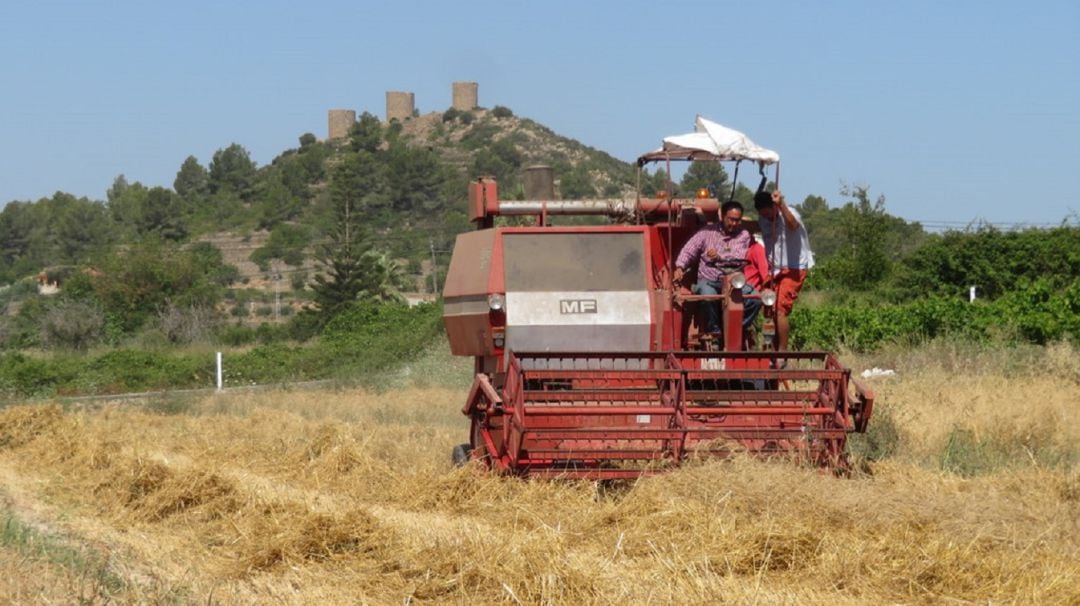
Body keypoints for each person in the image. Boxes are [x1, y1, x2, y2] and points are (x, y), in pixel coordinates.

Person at [673, 200, 752, 335]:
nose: (734, 224)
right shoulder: (705, 233)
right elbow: (688, 250)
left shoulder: (743, 235)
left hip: (733, 283)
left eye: (737, 220)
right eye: (731, 219)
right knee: (709, 296)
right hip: (708, 280)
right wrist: (680, 267)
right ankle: (714, 333)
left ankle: (736, 329)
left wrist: (719, 257)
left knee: (755, 299)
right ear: (722, 216)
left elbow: (737, 256)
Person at [753, 189, 814, 351]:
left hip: (793, 269)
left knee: (780, 309)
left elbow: (793, 225)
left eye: (769, 213)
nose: (767, 217)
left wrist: (781, 205)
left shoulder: (789, 213)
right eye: (763, 214)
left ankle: (782, 353)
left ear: (775, 206)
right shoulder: (763, 219)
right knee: (768, 310)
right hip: (774, 271)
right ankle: (769, 348)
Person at [742, 235, 770, 329]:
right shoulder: (741, 248)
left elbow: (765, 275)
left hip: (748, 293)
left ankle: (739, 328)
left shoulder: (757, 249)